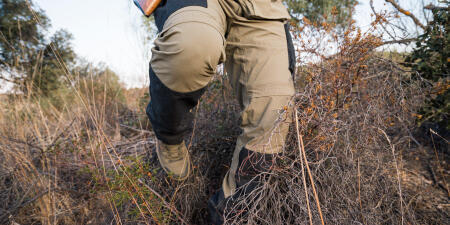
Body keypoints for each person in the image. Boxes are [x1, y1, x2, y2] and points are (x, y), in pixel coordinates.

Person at [145, 0, 295, 223]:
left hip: (260, 6)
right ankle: (169, 139)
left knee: (275, 108)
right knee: (191, 45)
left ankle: (229, 215)